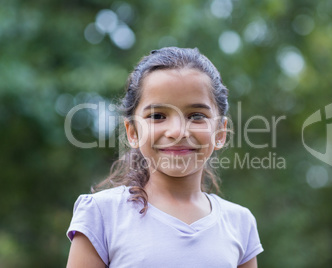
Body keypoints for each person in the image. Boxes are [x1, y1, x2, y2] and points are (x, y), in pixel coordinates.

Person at [66, 47, 263, 268]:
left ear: (220, 132)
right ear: (132, 132)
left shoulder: (240, 223)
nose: (177, 132)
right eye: (157, 116)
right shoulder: (101, 215)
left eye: (196, 116)